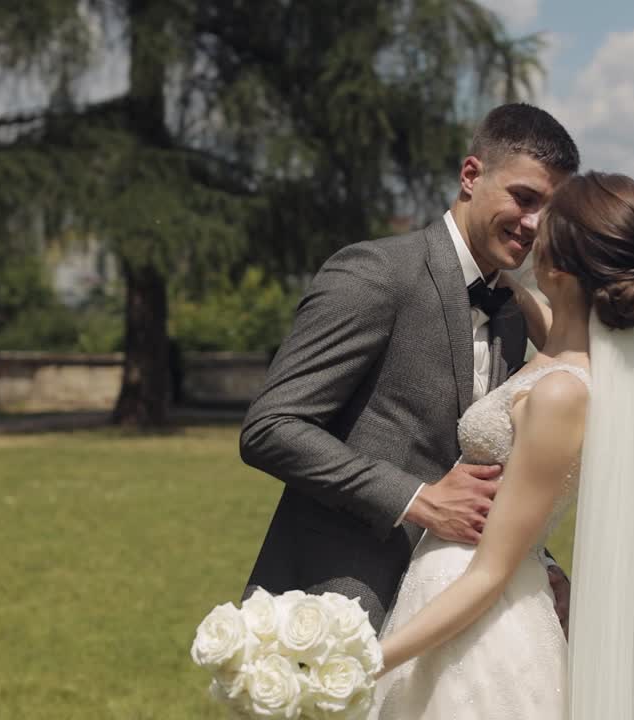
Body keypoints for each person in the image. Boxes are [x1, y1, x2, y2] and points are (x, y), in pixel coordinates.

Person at [238, 103, 580, 634]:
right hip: (339, 607)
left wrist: (542, 565)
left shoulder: (513, 314)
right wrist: (417, 500)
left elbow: (493, 470)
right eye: (524, 197)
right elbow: (271, 427)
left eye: (550, 210)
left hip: (451, 622)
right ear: (471, 176)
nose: (535, 224)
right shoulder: (376, 273)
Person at [370, 171, 634, 719]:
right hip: (449, 595)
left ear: (558, 264)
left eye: (542, 224)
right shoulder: (571, 354)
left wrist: (369, 659)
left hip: (480, 621)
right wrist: (509, 284)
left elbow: (492, 571)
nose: (529, 230)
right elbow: (556, 327)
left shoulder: (560, 393)